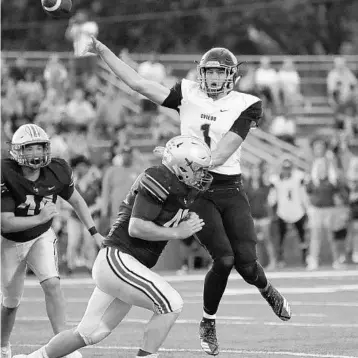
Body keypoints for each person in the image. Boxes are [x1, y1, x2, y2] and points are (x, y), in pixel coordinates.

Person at [79, 37, 292, 356]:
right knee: (224, 258)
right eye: (207, 71)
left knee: (248, 266)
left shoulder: (247, 103)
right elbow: (138, 83)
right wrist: (102, 49)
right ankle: (208, 322)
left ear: (231, 75)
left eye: (219, 72)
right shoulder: (187, 93)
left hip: (230, 188)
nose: (212, 77)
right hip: (197, 189)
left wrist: (183, 154)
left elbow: (222, 152)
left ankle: (265, 288)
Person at [14, 135, 212, 358]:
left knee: (90, 333)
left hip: (125, 265)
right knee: (171, 303)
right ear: (182, 166)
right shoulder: (159, 177)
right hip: (119, 259)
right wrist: (178, 231)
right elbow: (136, 228)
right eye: (198, 168)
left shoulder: (182, 187)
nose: (202, 174)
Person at [1, 124, 104, 358]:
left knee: (52, 284)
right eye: (29, 148)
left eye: (39, 147)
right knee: (10, 302)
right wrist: (40, 216)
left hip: (41, 236)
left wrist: (94, 231)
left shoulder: (57, 171)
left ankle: (62, 345)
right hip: (9, 241)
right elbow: (5, 223)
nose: (36, 153)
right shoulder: (6, 173)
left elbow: (77, 201)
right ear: (18, 151)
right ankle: (3, 345)